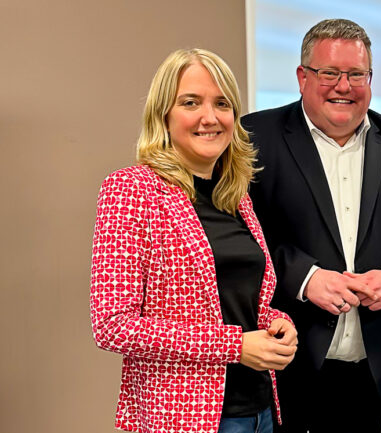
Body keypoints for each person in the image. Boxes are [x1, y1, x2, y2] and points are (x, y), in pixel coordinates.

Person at [242, 19, 381, 433]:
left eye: (356, 74)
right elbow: (240, 236)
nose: (344, 86)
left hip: (372, 366)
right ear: (302, 77)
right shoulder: (253, 137)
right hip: (286, 365)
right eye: (330, 73)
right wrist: (305, 278)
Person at [90, 48, 298, 433]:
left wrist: (276, 323)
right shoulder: (132, 190)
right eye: (191, 102)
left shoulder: (236, 196)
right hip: (184, 418)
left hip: (261, 410)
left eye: (222, 104)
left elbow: (237, 303)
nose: (210, 117)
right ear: (163, 115)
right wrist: (235, 346)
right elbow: (113, 325)